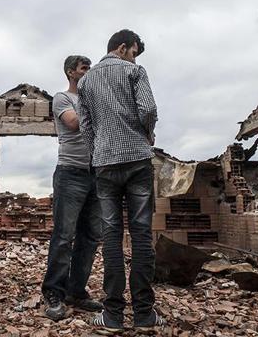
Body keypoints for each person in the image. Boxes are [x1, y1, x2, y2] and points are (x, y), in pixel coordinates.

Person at [77, 29, 166, 331]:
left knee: (111, 238)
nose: (135, 57)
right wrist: (148, 133)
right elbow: (149, 108)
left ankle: (113, 314)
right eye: (134, 51)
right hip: (138, 160)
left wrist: (96, 152)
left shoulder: (86, 80)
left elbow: (85, 126)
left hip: (104, 164)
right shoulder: (135, 71)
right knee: (141, 236)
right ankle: (144, 314)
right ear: (123, 47)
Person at [41, 55, 103, 321]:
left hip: (96, 174)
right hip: (70, 174)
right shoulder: (62, 98)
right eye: (83, 68)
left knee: (89, 237)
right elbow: (74, 123)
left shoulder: (94, 100)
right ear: (71, 72)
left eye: (90, 67)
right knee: (64, 236)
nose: (88, 71)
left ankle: (76, 291)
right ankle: (54, 293)